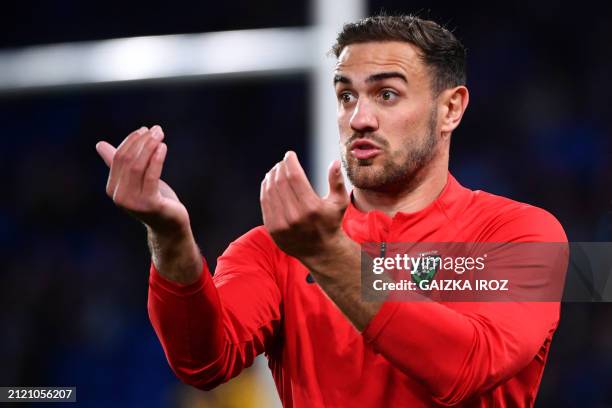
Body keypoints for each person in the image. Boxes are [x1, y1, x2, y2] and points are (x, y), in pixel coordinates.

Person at [96, 14, 567, 407]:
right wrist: (170, 239)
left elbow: (469, 365)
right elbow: (203, 362)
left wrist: (328, 257)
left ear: (450, 109)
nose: (359, 118)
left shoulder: (527, 235)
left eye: (386, 94)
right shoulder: (272, 249)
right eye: (346, 95)